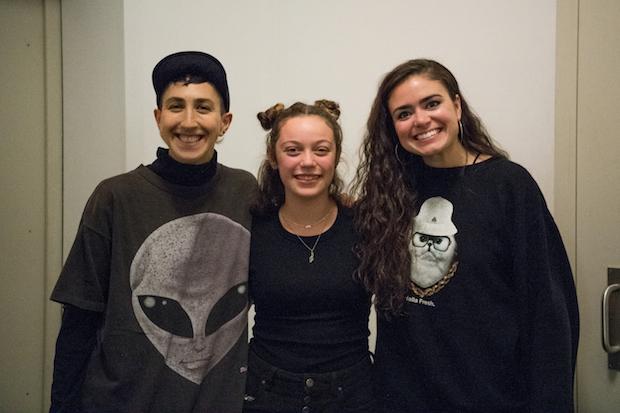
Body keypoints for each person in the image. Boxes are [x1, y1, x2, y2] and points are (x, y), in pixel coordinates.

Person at [351, 59, 579, 412]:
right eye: (404, 113)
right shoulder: (389, 193)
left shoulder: (508, 186)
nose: (421, 120)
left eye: (432, 103)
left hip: (493, 399)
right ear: (392, 126)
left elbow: (547, 312)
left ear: (456, 106)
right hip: (402, 401)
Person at [49, 51, 258, 413]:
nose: (189, 122)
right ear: (159, 117)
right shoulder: (115, 196)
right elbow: (79, 319)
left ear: (225, 121)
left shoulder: (247, 192)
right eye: (176, 106)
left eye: (203, 108)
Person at [243, 100, 374, 413]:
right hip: (266, 393)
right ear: (273, 158)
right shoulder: (250, 227)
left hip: (352, 395)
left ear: (336, 156)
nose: (307, 162)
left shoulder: (367, 226)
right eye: (292, 150)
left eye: (320, 150)